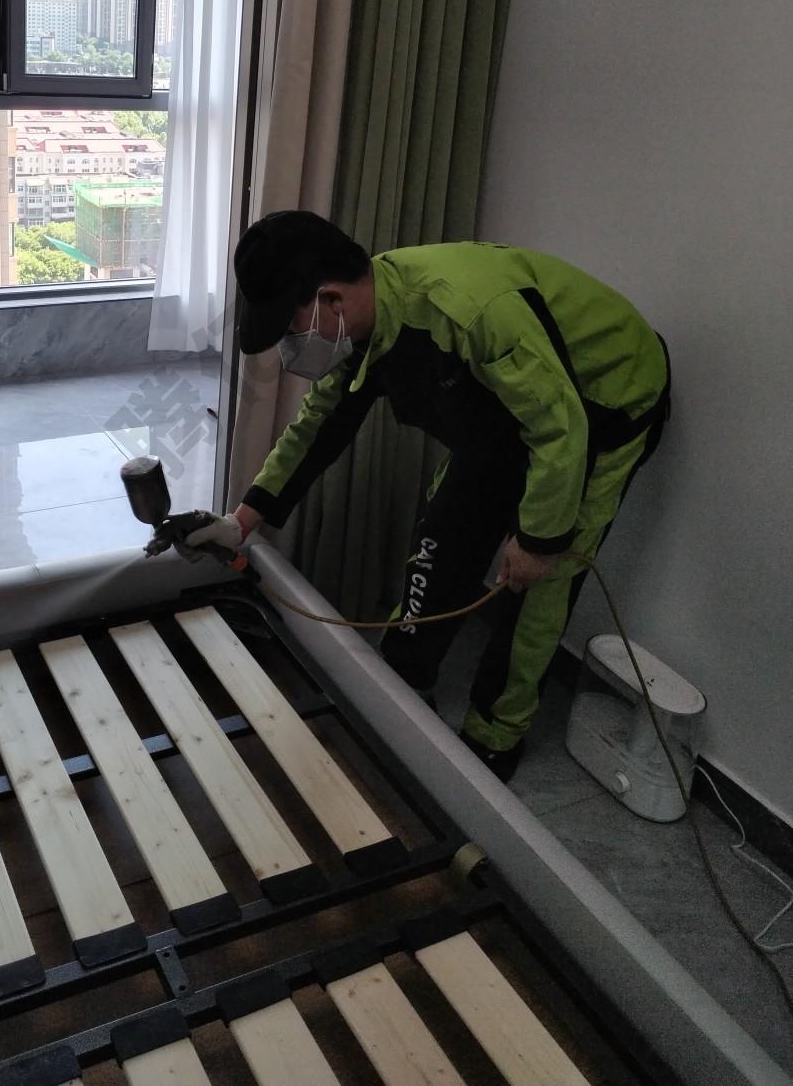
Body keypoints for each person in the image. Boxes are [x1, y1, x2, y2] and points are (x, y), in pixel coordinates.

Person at [186, 210, 670, 781]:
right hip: (506, 417)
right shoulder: (369, 323)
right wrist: (241, 521)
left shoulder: (467, 313)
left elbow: (561, 430)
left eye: (293, 329)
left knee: (537, 587)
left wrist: (539, 541)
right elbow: (317, 424)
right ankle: (406, 685)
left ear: (331, 300)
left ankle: (495, 735)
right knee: (440, 543)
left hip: (601, 408)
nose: (295, 345)